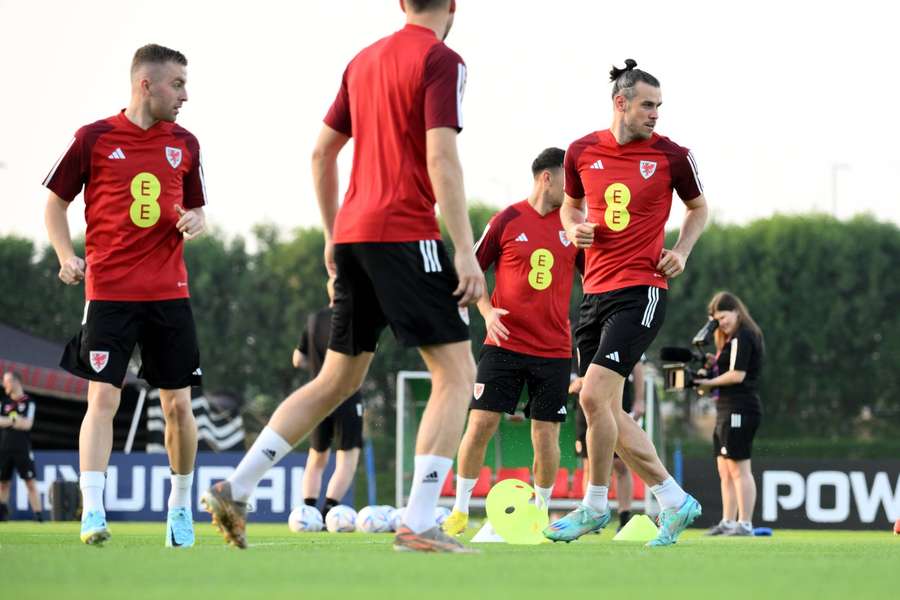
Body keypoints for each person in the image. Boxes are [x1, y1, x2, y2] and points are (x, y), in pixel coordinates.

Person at [202, 0, 484, 553]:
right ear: (453, 5)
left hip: (354, 235)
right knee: (456, 373)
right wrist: (466, 250)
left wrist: (334, 234)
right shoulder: (441, 59)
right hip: (403, 233)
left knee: (336, 381)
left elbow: (321, 154)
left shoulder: (362, 61)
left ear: (401, 4)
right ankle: (420, 521)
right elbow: (441, 159)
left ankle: (236, 488)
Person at [43, 43, 207, 546]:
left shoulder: (186, 142)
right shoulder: (92, 138)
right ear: (146, 85)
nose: (185, 94)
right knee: (103, 397)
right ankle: (93, 512)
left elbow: (199, 209)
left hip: (169, 294)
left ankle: (180, 507)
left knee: (178, 407)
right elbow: (54, 203)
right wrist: (65, 255)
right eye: (177, 84)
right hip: (110, 293)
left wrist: (197, 220)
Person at [545, 59, 708, 547]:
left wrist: (680, 251)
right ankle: (675, 500)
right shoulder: (580, 151)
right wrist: (574, 228)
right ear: (621, 103)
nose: (656, 114)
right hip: (593, 293)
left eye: (659, 106)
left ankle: (595, 506)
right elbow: (571, 207)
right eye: (648, 105)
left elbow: (699, 209)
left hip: (643, 289)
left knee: (594, 396)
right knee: (606, 408)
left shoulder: (673, 156)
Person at [442, 148, 583, 536]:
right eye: (568, 180)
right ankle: (457, 511)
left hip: (554, 350)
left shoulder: (574, 225)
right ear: (547, 178)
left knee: (546, 433)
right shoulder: (507, 220)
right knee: (481, 423)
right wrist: (487, 312)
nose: (576, 190)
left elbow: (597, 278)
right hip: (503, 346)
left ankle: (540, 512)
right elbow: (471, 269)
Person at [695, 292, 764, 536]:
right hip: (725, 408)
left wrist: (709, 383)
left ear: (736, 311)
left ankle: (744, 523)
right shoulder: (730, 339)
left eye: (723, 317)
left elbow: (737, 375)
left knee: (739, 469)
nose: (721, 323)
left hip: (741, 407)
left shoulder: (744, 336)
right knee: (725, 469)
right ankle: (728, 521)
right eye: (716, 319)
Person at [293, 280, 364, 516]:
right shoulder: (354, 317)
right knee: (347, 459)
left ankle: (307, 512)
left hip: (318, 397)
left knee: (316, 458)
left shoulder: (314, 319)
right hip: (347, 395)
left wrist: (316, 366)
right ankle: (327, 511)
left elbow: (297, 359)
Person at [572, 358, 645, 531]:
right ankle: (592, 516)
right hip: (586, 409)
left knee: (620, 465)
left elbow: (637, 364)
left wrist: (639, 400)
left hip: (617, 404)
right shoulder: (571, 338)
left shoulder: (615, 332)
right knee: (589, 464)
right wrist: (576, 385)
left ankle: (624, 517)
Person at [0, 372, 43, 521]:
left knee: (30, 482)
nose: (4, 384)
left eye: (6, 381)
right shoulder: (3, 402)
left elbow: (27, 424)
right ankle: (2, 514)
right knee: (3, 483)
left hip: (22, 449)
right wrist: (14, 420)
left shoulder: (29, 402)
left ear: (15, 382)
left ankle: (38, 515)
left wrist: (10, 421)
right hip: (4, 449)